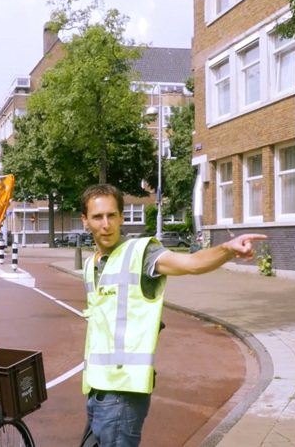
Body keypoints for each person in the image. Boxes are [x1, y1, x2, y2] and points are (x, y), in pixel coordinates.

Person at [79, 184, 266, 447]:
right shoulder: (92, 265)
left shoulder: (141, 253)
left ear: (122, 217)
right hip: (96, 388)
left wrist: (228, 249)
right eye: (98, 217)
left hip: (124, 393)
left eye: (112, 215)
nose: (106, 224)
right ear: (85, 221)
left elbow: (191, 264)